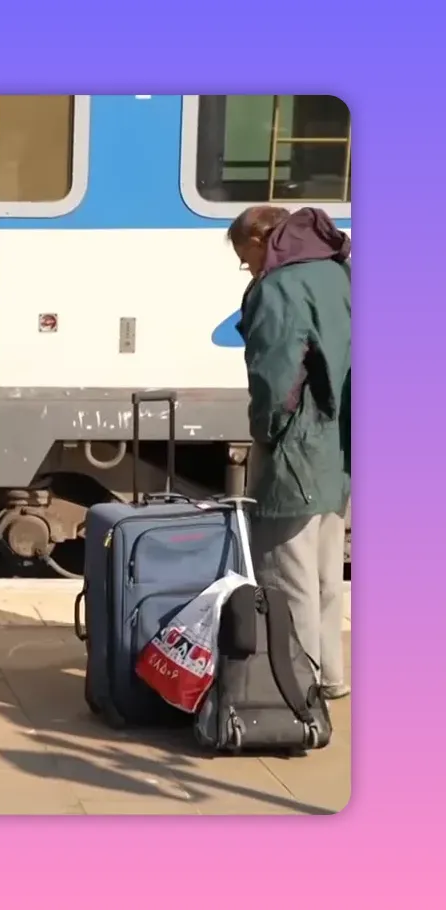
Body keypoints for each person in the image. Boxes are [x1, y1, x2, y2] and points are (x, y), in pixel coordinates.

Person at [228, 205, 352, 700]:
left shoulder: (279, 288)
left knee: (286, 573)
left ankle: (293, 686)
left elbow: (276, 373)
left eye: (246, 257)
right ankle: (329, 675)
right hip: (336, 447)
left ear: (262, 239)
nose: (249, 268)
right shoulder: (335, 269)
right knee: (325, 571)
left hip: (296, 448)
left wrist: (267, 429)